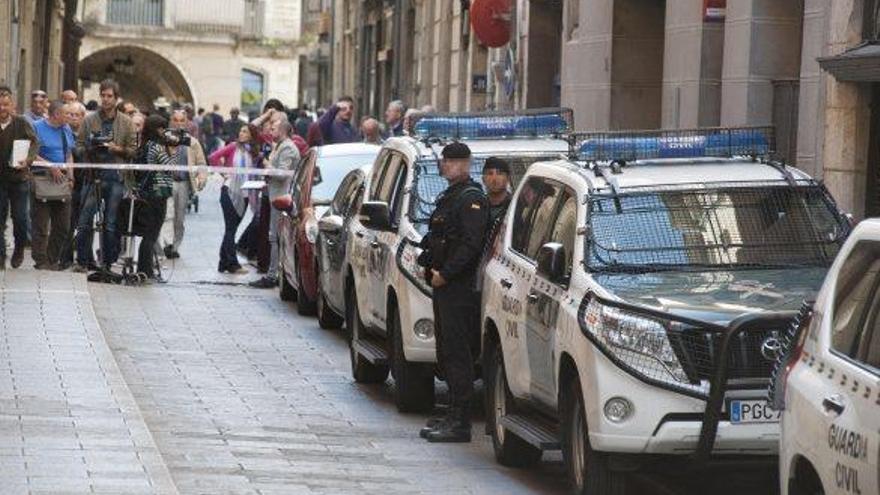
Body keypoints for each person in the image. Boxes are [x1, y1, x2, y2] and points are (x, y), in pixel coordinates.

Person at [417, 142, 489, 443]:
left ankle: (461, 423)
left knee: (458, 355)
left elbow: (471, 245)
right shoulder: (452, 197)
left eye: (447, 162)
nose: (443, 166)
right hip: (444, 285)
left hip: (458, 288)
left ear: (463, 164)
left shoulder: (472, 199)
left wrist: (446, 275)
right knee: (447, 351)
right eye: (443, 161)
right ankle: (452, 414)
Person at [74, 78, 137, 272]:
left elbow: (133, 151)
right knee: (85, 221)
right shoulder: (89, 119)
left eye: (110, 96)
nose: (106, 99)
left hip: (116, 176)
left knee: (110, 222)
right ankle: (83, 261)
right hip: (93, 175)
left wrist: (116, 148)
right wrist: (90, 148)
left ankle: (108, 262)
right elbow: (78, 147)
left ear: (116, 99)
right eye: (103, 95)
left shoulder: (126, 123)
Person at [250, 118, 300, 288]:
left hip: (281, 198)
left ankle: (273, 275)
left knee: (276, 236)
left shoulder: (287, 147)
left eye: (274, 128)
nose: (270, 131)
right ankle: (274, 273)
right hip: (275, 196)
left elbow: (282, 173)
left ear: (283, 130)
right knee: (274, 236)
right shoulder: (280, 146)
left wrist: (266, 165)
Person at [209, 124, 260, 274]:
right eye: (241, 130)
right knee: (230, 229)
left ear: (252, 135)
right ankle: (232, 264)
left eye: (245, 131)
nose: (241, 133)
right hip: (230, 191)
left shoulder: (254, 152)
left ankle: (223, 262)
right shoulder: (233, 147)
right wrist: (224, 173)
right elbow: (213, 157)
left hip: (245, 194)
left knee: (231, 229)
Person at [31, 100, 75, 270]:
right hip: (41, 178)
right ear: (56, 114)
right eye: (67, 114)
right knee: (41, 224)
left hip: (62, 181)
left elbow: (68, 153)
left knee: (63, 224)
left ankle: (52, 258)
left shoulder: (66, 129)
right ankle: (41, 261)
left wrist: (71, 176)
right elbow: (30, 153)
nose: (70, 117)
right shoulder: (36, 127)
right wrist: (49, 166)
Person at [158, 109, 207, 259]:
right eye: (175, 120)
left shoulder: (192, 142)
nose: (178, 123)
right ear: (171, 121)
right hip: (167, 182)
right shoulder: (163, 140)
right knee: (167, 214)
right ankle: (165, 244)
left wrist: (202, 177)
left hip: (184, 183)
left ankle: (175, 245)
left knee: (179, 218)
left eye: (181, 120)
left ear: (186, 123)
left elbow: (201, 162)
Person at [0, 86, 39, 269]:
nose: (2, 108)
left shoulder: (21, 122)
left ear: (12, 105)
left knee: (21, 218)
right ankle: (1, 255)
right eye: (0, 105)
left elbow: (34, 143)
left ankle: (19, 248)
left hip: (19, 179)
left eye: (6, 105)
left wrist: (28, 160)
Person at [134, 115, 174, 280]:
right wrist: (171, 151)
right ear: (157, 129)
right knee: (151, 233)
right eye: (163, 128)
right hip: (157, 194)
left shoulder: (146, 145)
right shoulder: (157, 147)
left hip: (148, 193)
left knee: (149, 234)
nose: (165, 132)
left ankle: (146, 268)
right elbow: (171, 167)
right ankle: (146, 270)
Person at [59, 101, 88, 269]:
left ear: (83, 117)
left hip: (85, 183)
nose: (72, 118)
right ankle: (65, 258)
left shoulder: (87, 134)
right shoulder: (63, 133)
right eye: (69, 114)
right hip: (68, 183)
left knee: (85, 223)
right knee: (67, 223)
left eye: (76, 115)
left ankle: (84, 259)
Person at [482, 157, 512, 224]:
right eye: (490, 173)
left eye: (499, 173)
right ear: (483, 179)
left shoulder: (515, 205)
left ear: (508, 178)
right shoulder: (479, 205)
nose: (494, 178)